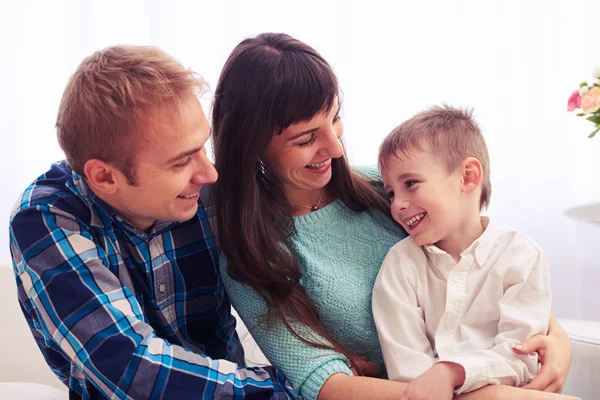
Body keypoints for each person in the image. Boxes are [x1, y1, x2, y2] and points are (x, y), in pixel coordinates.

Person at [211, 32, 575, 400]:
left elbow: (484, 268)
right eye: (306, 139)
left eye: (335, 119)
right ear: (252, 143)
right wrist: (481, 393)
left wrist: (557, 341)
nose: (336, 148)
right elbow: (327, 385)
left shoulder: (387, 189)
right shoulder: (253, 254)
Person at [8, 45, 298, 399]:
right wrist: (292, 390)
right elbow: (131, 367)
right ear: (104, 178)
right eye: (181, 162)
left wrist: (328, 369)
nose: (209, 173)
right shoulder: (45, 217)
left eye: (203, 148)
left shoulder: (202, 192)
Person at [372, 105, 552, 400]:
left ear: (468, 177)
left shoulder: (521, 256)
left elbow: (521, 355)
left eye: (410, 184)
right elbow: (408, 370)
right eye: (391, 193)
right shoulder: (400, 265)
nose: (397, 205)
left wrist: (452, 372)